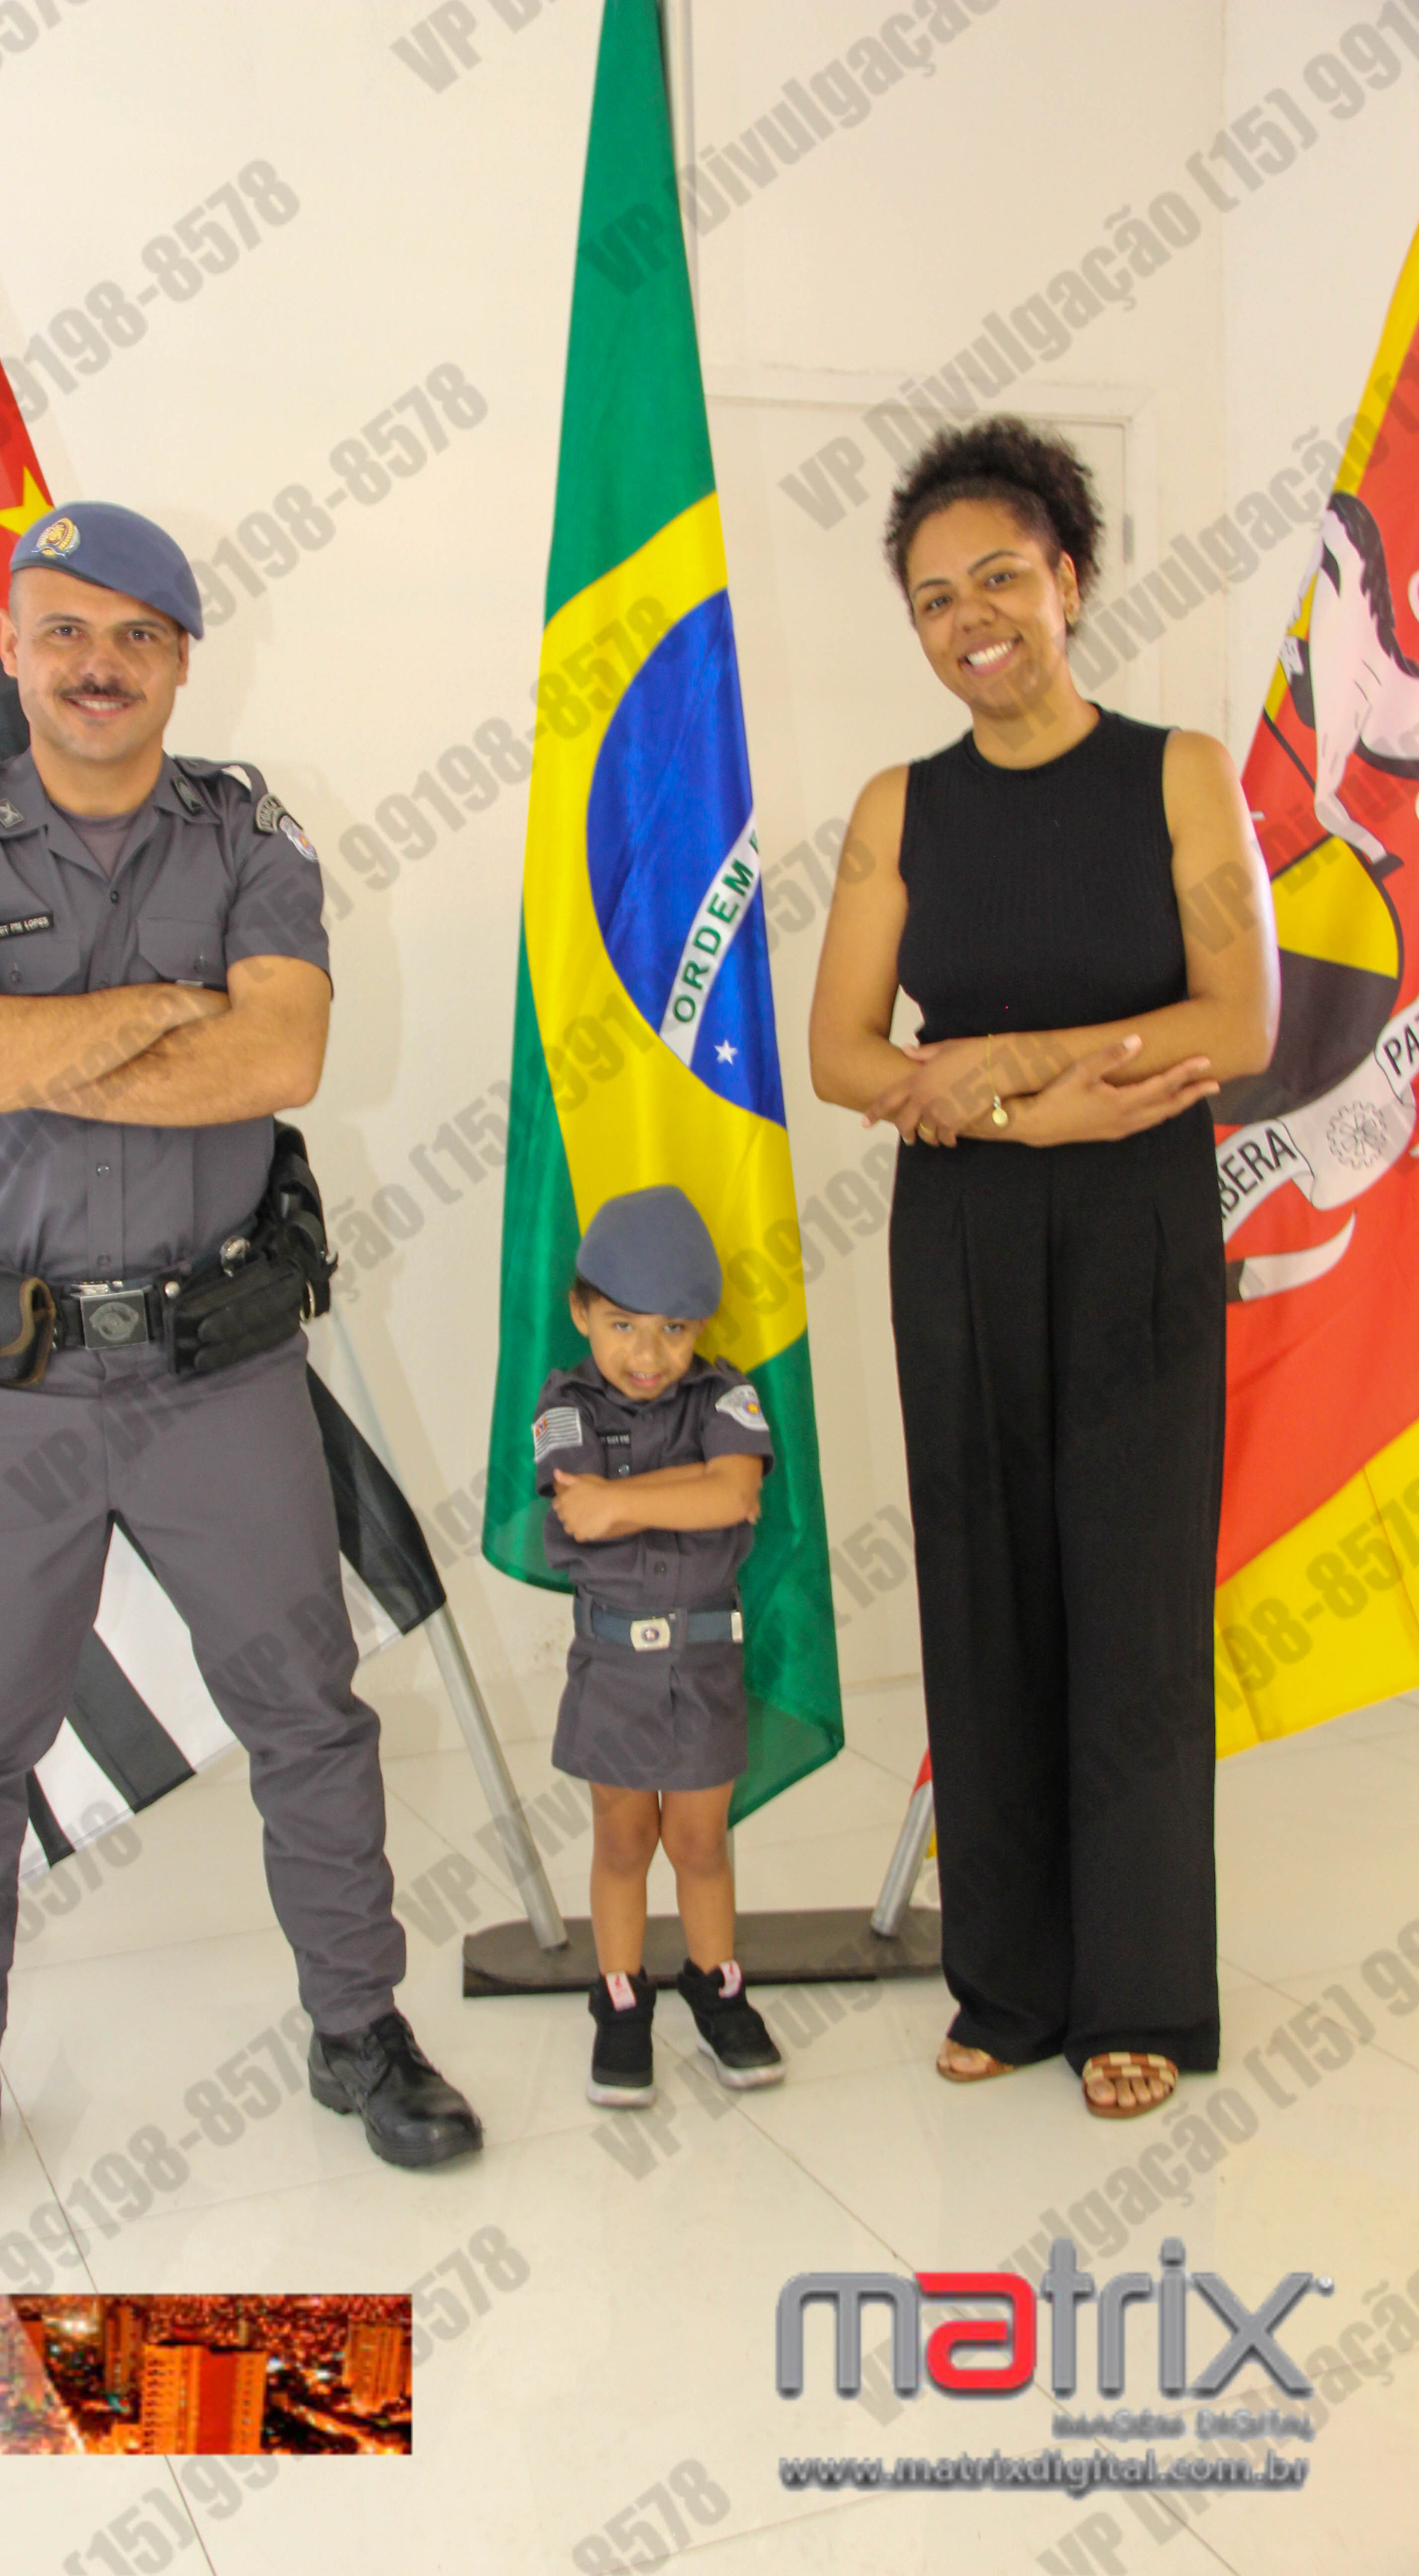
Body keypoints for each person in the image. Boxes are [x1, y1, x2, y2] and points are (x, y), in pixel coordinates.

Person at [0, 500, 482, 2209]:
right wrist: (153, 1019)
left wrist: (33, 1048)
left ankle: (359, 2027)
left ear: (183, 658)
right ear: (13, 650)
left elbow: (279, 1061)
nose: (98, 664)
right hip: (14, 1384)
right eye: (64, 630)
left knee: (309, 1716)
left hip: (219, 1376)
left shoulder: (250, 836)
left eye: (136, 635)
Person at [808, 418, 1278, 2121]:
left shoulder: (1177, 774)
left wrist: (1011, 1061)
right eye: (935, 599)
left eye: (1000, 577)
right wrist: (1026, 1115)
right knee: (983, 1584)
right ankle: (1008, 1981)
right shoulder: (898, 806)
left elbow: (1239, 1020)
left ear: (1068, 580)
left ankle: (1138, 1990)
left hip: (1140, 1215)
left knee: (1132, 1599)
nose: (971, 619)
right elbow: (843, 1053)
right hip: (965, 1227)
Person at [530, 1187, 786, 2107]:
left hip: (706, 1660)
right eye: (624, 1326)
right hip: (615, 1668)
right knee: (624, 1838)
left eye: (674, 1330)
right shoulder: (565, 1404)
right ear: (581, 1314)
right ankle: (621, 2000)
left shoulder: (728, 1394)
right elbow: (580, 1514)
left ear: (701, 1327)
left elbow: (735, 1496)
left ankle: (718, 1989)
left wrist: (627, 1498)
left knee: (701, 1840)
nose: (648, 1356)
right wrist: (689, 1488)